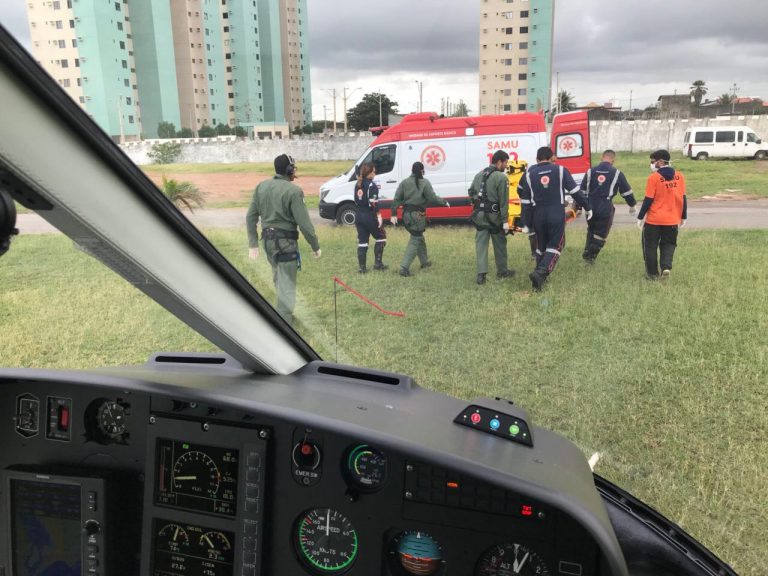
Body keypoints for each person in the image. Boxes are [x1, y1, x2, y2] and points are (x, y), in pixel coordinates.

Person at [246, 153, 321, 325]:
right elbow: (305, 225)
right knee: (287, 285)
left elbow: (250, 217)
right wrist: (315, 246)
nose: (295, 171)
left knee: (278, 278)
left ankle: (284, 313)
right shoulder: (294, 191)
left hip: (268, 242)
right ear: (289, 170)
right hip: (285, 243)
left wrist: (253, 244)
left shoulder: (261, 187)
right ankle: (284, 323)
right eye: (293, 168)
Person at [519, 146, 591, 291]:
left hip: (538, 214)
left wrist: (525, 222)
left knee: (541, 246)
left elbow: (523, 196)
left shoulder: (528, 174)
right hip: (556, 213)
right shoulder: (560, 170)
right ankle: (540, 273)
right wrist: (587, 207)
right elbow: (575, 192)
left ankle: (538, 280)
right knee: (557, 245)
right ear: (552, 157)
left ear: (537, 159)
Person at [390, 162, 450, 276]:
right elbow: (432, 198)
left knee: (419, 237)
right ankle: (404, 268)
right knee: (416, 239)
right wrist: (444, 202)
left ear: (412, 170)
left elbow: (397, 199)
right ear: (422, 171)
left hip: (406, 215)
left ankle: (424, 262)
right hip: (417, 215)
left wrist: (393, 213)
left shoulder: (404, 182)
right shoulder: (424, 182)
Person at [636, 149, 687, 280]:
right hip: (672, 220)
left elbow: (648, 199)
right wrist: (684, 216)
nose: (651, 164)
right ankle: (666, 267)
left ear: (660, 162)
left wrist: (640, 217)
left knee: (650, 247)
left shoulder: (653, 178)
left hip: (654, 220)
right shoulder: (680, 176)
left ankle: (652, 274)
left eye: (653, 161)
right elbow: (683, 198)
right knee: (669, 244)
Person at [580, 149, 637, 263]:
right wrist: (632, 205)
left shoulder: (590, 171)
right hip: (605, 205)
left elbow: (582, 191)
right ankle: (589, 256)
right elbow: (626, 192)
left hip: (590, 205)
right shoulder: (617, 173)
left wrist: (578, 207)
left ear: (602, 157)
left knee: (591, 228)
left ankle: (587, 251)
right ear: (613, 160)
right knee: (601, 233)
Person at [468, 150, 516, 285]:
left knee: (481, 245)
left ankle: (481, 275)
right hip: (495, 218)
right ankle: (502, 271)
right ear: (499, 162)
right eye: (505, 163)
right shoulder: (501, 178)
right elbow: (503, 202)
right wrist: (505, 221)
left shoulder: (479, 175)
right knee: (500, 244)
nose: (506, 166)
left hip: (479, 216)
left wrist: (476, 204)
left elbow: (471, 192)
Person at [354, 162, 388, 273]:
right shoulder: (372, 185)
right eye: (373, 171)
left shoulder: (357, 184)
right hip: (369, 215)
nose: (375, 173)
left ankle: (362, 268)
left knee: (362, 241)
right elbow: (374, 204)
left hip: (358, 215)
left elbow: (356, 201)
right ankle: (378, 264)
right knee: (381, 236)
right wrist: (378, 216)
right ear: (368, 172)